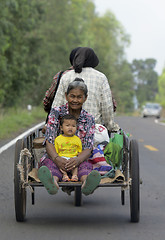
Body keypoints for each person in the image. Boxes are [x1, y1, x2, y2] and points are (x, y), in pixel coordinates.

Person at [38, 78, 101, 195]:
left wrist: (77, 160)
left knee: (86, 166)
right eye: (72, 96)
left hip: (78, 158)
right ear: (66, 96)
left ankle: (86, 183)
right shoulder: (56, 112)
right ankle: (53, 182)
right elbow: (49, 141)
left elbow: (88, 147)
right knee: (50, 165)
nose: (75, 100)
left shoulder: (89, 118)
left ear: (85, 98)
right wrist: (57, 159)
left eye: (79, 97)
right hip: (56, 156)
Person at [52, 47, 119, 133]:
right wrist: (110, 126)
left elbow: (56, 105)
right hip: (93, 130)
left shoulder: (66, 76)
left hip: (67, 131)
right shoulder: (101, 78)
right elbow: (107, 108)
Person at [54, 114, 82, 182]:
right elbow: (56, 152)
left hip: (73, 158)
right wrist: (60, 158)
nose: (70, 128)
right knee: (59, 166)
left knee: (75, 166)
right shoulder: (58, 139)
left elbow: (79, 152)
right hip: (62, 158)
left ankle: (74, 175)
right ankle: (64, 175)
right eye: (67, 125)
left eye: (73, 126)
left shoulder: (77, 139)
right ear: (61, 128)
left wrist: (76, 158)